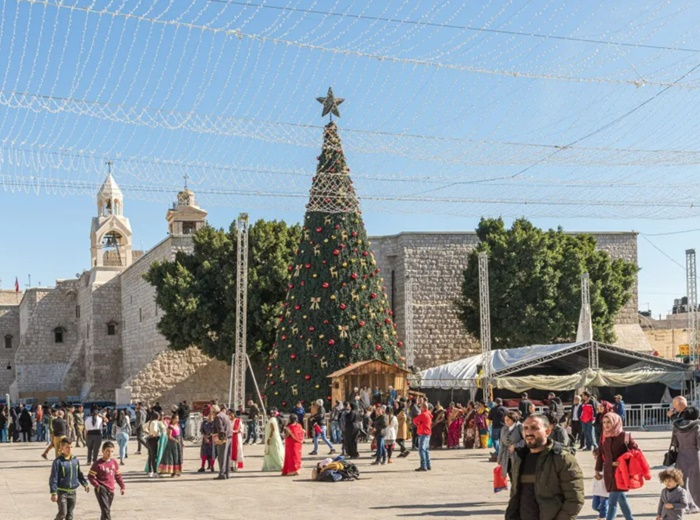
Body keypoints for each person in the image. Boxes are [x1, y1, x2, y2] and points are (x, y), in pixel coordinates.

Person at [506, 414, 584, 520]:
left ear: (547, 432)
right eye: (525, 428)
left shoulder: (561, 458)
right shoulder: (520, 458)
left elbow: (575, 499)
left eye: (534, 428)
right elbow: (515, 493)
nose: (528, 432)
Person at [595, 412, 637, 520]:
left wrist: (623, 461)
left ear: (615, 422)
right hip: (609, 472)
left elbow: (636, 453)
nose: (606, 425)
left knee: (612, 502)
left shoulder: (624, 436)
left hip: (621, 474)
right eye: (604, 422)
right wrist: (597, 470)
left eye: (609, 422)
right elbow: (600, 454)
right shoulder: (604, 436)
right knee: (621, 500)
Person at [49, 439, 89, 520]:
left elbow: (79, 474)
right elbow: (53, 478)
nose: (70, 449)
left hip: (72, 492)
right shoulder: (58, 462)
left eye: (71, 447)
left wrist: (84, 483)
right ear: (61, 449)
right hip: (61, 492)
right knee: (63, 513)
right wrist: (53, 492)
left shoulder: (75, 460)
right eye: (67, 447)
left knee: (70, 514)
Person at [671, 405, 700, 513]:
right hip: (694, 456)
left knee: (681, 481)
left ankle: (683, 505)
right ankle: (695, 505)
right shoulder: (697, 426)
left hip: (681, 455)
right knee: (696, 482)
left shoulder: (676, 426)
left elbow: (674, 442)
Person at [88, 441, 125, 520]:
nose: (109, 453)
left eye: (111, 451)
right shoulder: (98, 464)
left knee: (105, 511)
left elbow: (118, 476)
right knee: (106, 511)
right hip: (102, 489)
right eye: (107, 451)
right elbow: (90, 476)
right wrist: (97, 486)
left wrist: (122, 486)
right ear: (103, 451)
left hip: (111, 490)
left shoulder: (114, 463)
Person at [498, 411, 524, 481]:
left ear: (513, 419)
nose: (506, 422)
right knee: (510, 473)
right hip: (507, 456)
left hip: (518, 455)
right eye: (505, 420)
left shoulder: (520, 427)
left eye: (508, 420)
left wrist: (515, 445)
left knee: (517, 475)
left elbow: (526, 440)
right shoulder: (504, 428)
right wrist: (499, 458)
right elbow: (502, 444)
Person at [212, 405, 232, 480]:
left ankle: (222, 473)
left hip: (222, 438)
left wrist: (220, 439)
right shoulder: (226, 416)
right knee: (227, 456)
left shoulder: (218, 417)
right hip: (229, 437)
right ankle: (227, 473)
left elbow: (220, 429)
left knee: (221, 456)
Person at [145, 411, 167, 478]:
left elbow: (144, 427)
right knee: (154, 456)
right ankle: (154, 472)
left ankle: (150, 471)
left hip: (149, 439)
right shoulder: (155, 422)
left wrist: (148, 433)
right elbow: (155, 430)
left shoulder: (150, 421)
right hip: (154, 439)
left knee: (150, 456)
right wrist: (155, 434)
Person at [413, 402, 433, 472]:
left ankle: (423, 466)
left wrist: (418, 424)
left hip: (423, 433)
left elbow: (415, 421)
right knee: (426, 450)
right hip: (428, 433)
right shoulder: (429, 413)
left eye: (421, 407)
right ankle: (428, 465)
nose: (420, 408)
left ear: (423, 407)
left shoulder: (423, 414)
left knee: (421, 450)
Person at [592, 448, 609, 520]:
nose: (595, 457)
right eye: (594, 456)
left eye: (596, 456)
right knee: (595, 506)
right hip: (597, 489)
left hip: (605, 489)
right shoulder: (597, 465)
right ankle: (607, 512)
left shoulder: (606, 464)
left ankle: (602, 516)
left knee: (603, 505)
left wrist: (602, 476)